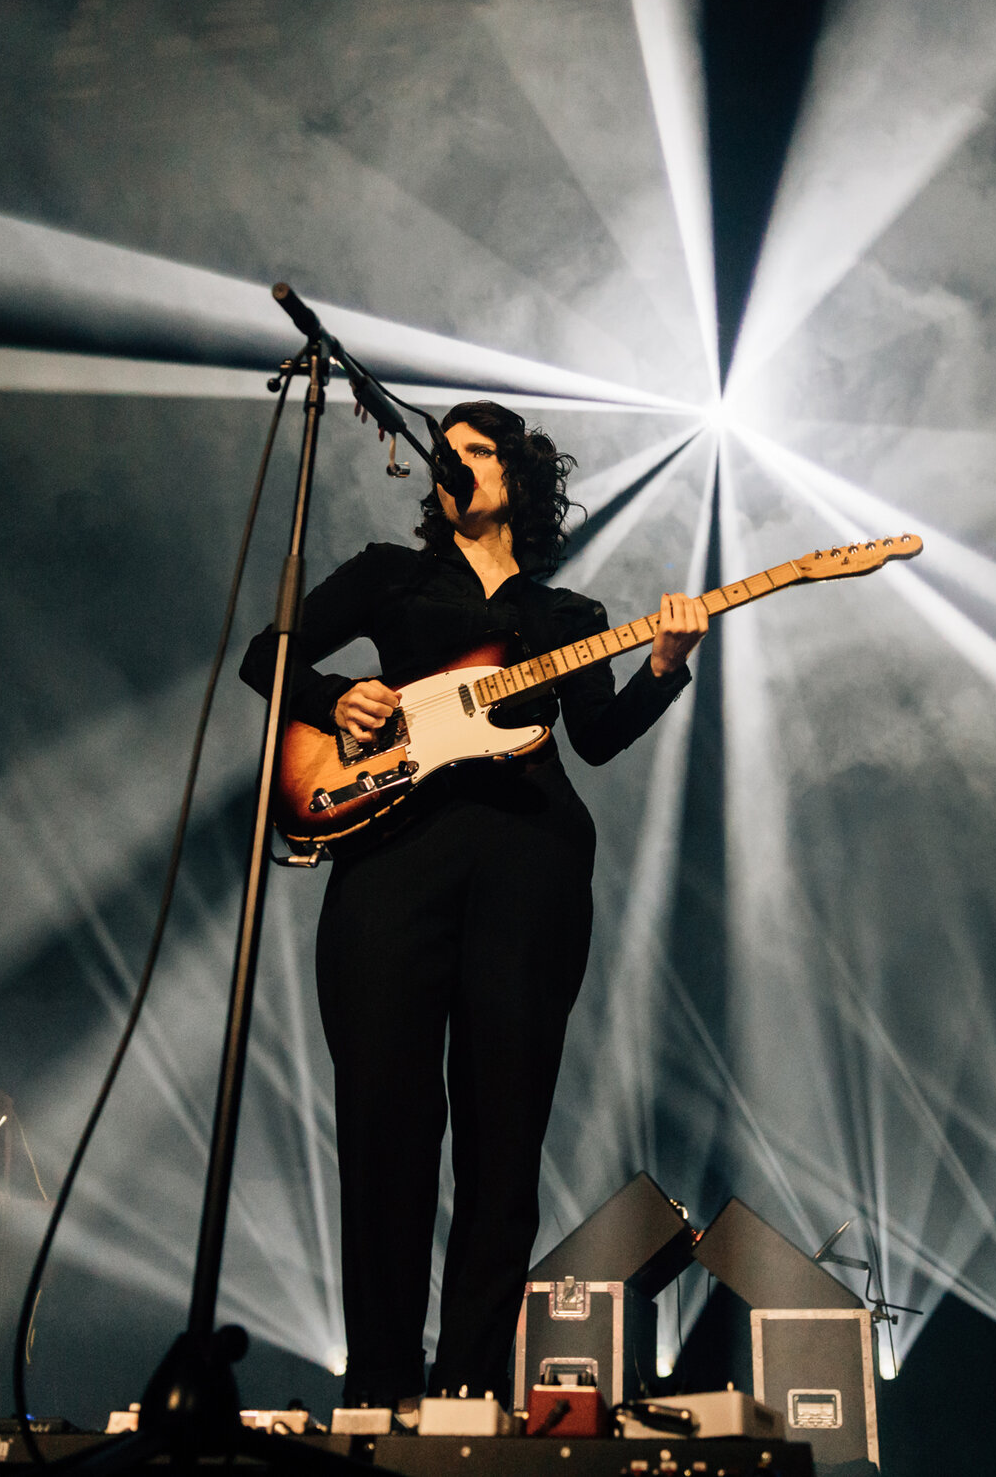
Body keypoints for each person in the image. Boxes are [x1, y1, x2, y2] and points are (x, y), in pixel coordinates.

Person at [239, 399, 707, 1410]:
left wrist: (665, 669)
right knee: (384, 1120)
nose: (452, 459)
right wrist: (334, 699)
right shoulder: (390, 575)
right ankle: (376, 1389)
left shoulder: (567, 617)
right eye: (443, 448)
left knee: (504, 1132)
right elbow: (263, 657)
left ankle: (464, 1393)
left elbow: (599, 737)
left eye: (478, 448)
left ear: (518, 478)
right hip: (392, 857)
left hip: (530, 863)